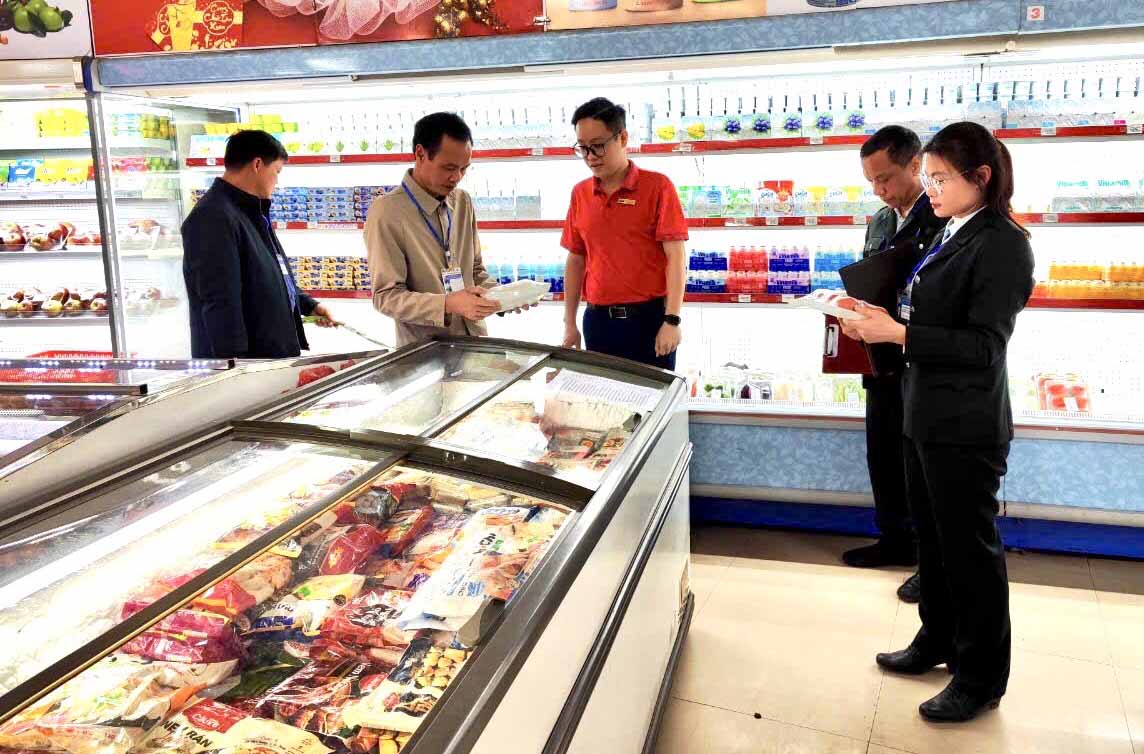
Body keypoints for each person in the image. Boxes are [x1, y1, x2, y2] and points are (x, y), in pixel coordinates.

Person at [845, 121, 1034, 723]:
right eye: (926, 177)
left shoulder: (1002, 242)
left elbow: (984, 345)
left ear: (982, 177)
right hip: (923, 409)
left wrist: (899, 333)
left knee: (969, 553)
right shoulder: (951, 229)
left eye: (941, 178)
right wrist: (877, 316)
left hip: (965, 422)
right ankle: (936, 641)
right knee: (933, 542)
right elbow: (922, 305)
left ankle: (979, 676)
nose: (930, 189)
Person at [843, 126, 946, 606]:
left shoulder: (943, 217)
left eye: (885, 178)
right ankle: (894, 539)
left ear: (915, 165)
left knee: (921, 466)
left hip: (919, 354)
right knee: (882, 451)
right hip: (878, 354)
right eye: (871, 182)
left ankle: (931, 565)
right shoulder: (882, 220)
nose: (879, 190)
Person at [367, 112, 527, 347]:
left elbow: (475, 270)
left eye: (464, 168)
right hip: (425, 353)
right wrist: (448, 303)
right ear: (420, 153)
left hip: (475, 343)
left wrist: (504, 296)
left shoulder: (462, 201)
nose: (457, 177)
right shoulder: (387, 212)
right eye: (449, 167)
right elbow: (386, 297)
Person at [182, 130, 336, 359]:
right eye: (277, 171)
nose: (278, 180)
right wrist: (236, 367)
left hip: (269, 356)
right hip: (248, 363)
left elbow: (268, 273)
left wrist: (307, 305)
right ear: (257, 165)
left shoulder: (251, 210)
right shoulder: (213, 217)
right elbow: (220, 301)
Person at [560, 97, 688, 370]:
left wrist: (672, 319)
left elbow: (676, 257)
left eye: (598, 146)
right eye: (583, 148)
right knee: (603, 406)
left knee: (653, 407)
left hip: (650, 321)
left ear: (622, 138)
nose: (591, 156)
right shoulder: (580, 193)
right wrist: (569, 323)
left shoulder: (658, 187)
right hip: (598, 322)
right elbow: (576, 259)